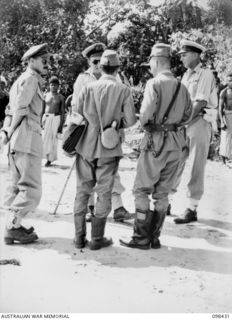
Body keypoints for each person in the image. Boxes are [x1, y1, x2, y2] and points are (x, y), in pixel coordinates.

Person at [119, 43, 192, 250]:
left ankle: (141, 237)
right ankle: (155, 237)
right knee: (163, 193)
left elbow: (145, 115)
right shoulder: (182, 86)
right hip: (177, 143)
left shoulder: (154, 83)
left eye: (150, 62)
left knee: (141, 190)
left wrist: (145, 123)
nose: (149, 67)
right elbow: (187, 116)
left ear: (157, 61)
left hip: (156, 142)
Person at [71, 49, 136, 250]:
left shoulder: (87, 88)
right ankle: (97, 239)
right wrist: (115, 126)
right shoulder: (123, 90)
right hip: (109, 148)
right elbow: (132, 120)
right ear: (117, 68)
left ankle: (79, 238)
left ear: (101, 66)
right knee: (104, 193)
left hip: (85, 147)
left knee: (82, 192)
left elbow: (76, 114)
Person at [0, 43, 50, 244]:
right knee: (31, 188)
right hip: (26, 139)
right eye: (43, 60)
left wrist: (7, 135)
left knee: (16, 187)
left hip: (19, 141)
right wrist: (9, 133)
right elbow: (19, 110)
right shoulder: (30, 80)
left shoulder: (23, 80)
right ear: (31, 61)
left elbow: (11, 111)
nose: (47, 63)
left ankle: (12, 225)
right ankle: (13, 226)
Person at [173, 40, 218, 224]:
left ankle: (192, 207)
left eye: (184, 54)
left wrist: (181, 121)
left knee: (195, 166)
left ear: (196, 55)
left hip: (199, 122)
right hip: (185, 124)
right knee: (175, 161)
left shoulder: (205, 74)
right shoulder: (185, 75)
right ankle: (166, 200)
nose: (182, 57)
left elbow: (200, 103)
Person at [42, 76, 65, 166]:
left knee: (53, 140)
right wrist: (41, 120)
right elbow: (42, 109)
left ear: (58, 86)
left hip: (56, 118)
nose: (53, 87)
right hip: (46, 118)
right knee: (45, 139)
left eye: (55, 85)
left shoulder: (61, 97)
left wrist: (61, 126)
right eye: (52, 85)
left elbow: (63, 113)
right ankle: (45, 157)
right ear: (49, 85)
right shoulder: (45, 95)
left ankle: (50, 159)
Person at [219, 73, 232, 164]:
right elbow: (220, 108)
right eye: (229, 80)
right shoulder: (224, 92)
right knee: (225, 136)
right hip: (227, 115)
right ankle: (224, 159)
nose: (231, 82)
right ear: (226, 81)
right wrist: (222, 122)